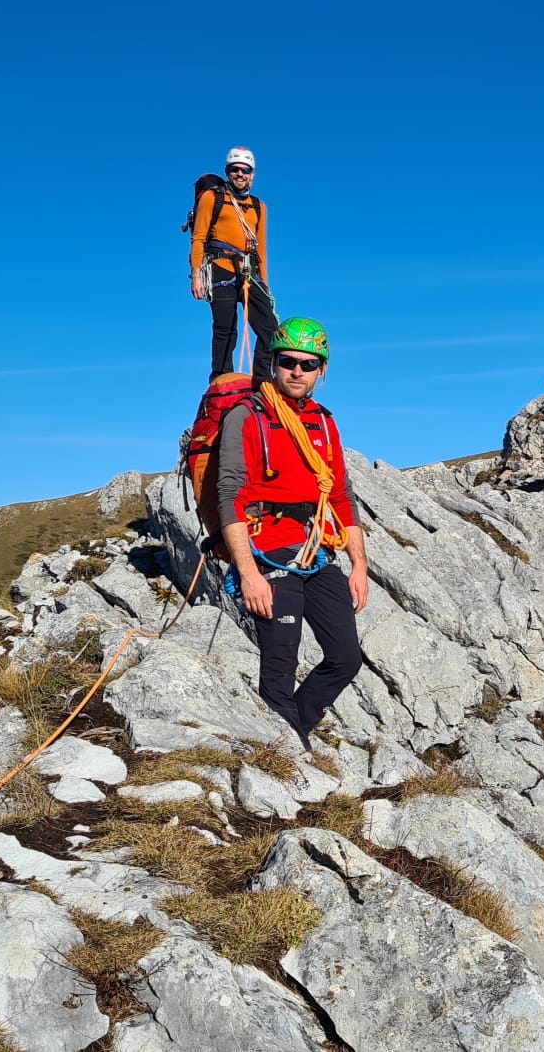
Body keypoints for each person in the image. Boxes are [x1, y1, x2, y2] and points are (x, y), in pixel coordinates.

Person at [213, 316, 369, 748]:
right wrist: (248, 574)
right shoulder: (247, 416)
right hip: (267, 549)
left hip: (315, 548)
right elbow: (231, 497)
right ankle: (285, 749)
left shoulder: (323, 422)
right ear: (273, 363)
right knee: (281, 657)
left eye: (308, 363)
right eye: (288, 362)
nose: (297, 371)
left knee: (345, 657)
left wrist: (360, 566)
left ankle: (291, 730)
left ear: (322, 371)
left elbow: (341, 496)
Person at [190, 146, 278, 378]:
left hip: (250, 271)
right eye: (235, 169)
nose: (240, 174)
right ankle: (222, 377)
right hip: (220, 267)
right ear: (227, 172)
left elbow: (262, 250)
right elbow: (198, 237)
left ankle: (262, 380)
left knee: (269, 327)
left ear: (253, 174)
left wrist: (265, 285)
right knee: (226, 328)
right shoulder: (212, 198)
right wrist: (196, 275)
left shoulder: (260, 207)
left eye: (245, 170)